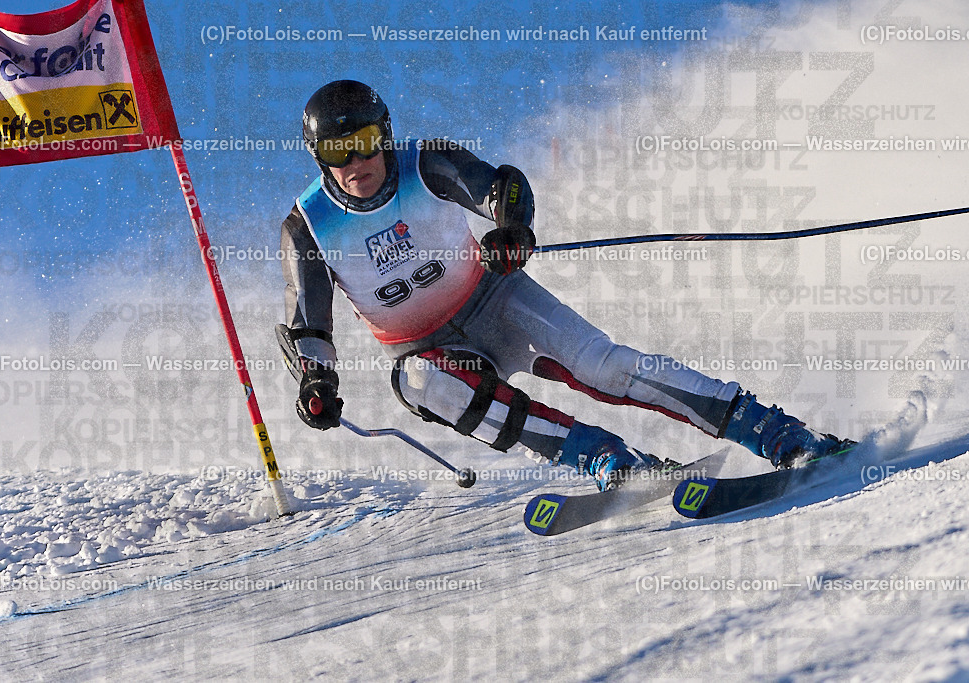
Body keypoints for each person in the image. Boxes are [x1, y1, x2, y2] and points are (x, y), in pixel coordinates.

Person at [276, 79, 855, 491]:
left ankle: (780, 435)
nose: (356, 161)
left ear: (386, 134)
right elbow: (309, 323)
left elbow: (501, 185)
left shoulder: (425, 162)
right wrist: (316, 379)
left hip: (497, 302)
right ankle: (604, 458)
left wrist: (511, 229)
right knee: (420, 381)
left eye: (366, 139)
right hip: (434, 354)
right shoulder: (309, 225)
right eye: (336, 150)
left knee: (606, 366)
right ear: (318, 158)